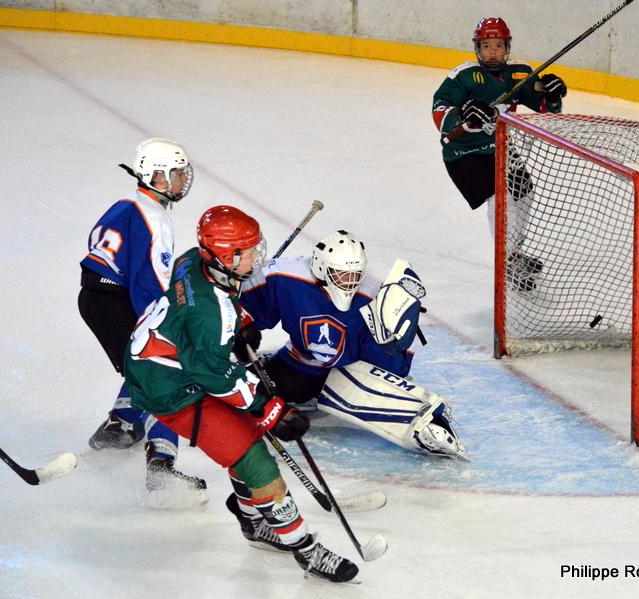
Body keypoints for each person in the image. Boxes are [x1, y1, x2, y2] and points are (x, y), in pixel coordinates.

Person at [123, 206, 358, 583]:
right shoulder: (209, 315)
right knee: (257, 461)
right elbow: (215, 374)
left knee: (246, 435)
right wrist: (271, 410)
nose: (256, 256)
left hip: (164, 363)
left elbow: (210, 313)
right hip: (172, 388)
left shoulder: (194, 260)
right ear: (226, 255)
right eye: (248, 251)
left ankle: (253, 522)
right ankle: (306, 550)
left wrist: (240, 323)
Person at [237, 230, 466, 459]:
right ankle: (274, 370)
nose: (349, 282)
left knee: (379, 383)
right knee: (245, 397)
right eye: (342, 275)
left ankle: (432, 424)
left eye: (355, 275)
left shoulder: (374, 299)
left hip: (349, 372)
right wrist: (242, 323)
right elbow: (241, 304)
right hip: (300, 364)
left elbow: (394, 367)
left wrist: (391, 342)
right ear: (321, 268)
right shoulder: (286, 276)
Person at [78, 138, 205, 501]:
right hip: (118, 302)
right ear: (157, 177)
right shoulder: (156, 218)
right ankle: (161, 471)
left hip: (95, 298)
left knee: (142, 366)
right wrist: (171, 326)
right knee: (165, 372)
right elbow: (149, 283)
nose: (183, 180)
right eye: (176, 173)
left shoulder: (127, 203)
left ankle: (120, 424)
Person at [432, 17, 566, 290]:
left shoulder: (519, 74)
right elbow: (439, 109)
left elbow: (546, 108)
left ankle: (513, 252)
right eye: (486, 46)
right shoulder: (463, 76)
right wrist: (461, 115)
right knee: (500, 197)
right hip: (465, 152)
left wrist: (552, 95)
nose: (492, 52)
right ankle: (506, 261)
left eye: (498, 45)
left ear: (507, 47)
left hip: (501, 147)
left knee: (524, 192)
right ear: (477, 48)